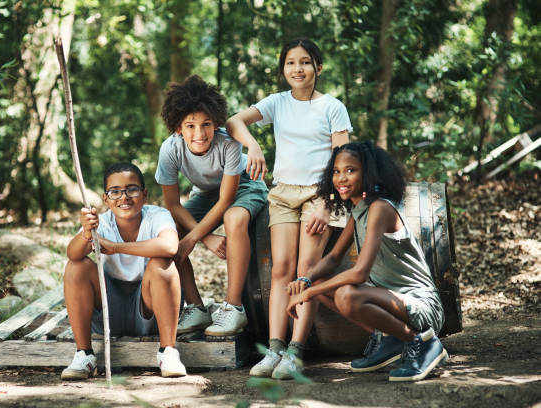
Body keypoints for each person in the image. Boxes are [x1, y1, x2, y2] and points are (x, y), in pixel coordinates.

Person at [226, 38, 352, 379]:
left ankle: (296, 352)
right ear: (283, 69)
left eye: (306, 62)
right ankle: (275, 349)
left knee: (304, 271)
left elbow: (343, 160)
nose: (298, 69)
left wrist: (328, 205)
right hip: (282, 194)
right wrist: (253, 146)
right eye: (291, 63)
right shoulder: (277, 103)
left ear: (318, 67)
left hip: (318, 195)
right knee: (281, 269)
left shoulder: (332, 107)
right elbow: (234, 121)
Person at [286, 141, 448, 382]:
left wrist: (307, 295)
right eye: (336, 171)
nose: (341, 178)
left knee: (347, 295)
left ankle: (421, 343)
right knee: (319, 282)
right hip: (390, 301)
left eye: (351, 170)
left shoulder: (380, 208)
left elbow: (359, 273)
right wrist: (305, 281)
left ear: (368, 173)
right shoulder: (358, 211)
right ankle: (389, 339)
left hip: (421, 305)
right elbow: (332, 258)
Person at [155, 75, 268, 337]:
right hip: (206, 194)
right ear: (177, 128)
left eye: (206, 124)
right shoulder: (170, 150)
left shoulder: (227, 143)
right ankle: (196, 307)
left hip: (246, 185)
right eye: (190, 125)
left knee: (234, 218)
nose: (199, 133)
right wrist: (204, 237)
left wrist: (197, 237)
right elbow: (172, 204)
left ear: (215, 122)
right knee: (170, 231)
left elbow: (227, 199)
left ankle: (234, 308)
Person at [61, 162, 186, 380]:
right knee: (76, 266)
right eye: (115, 191)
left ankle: (168, 352)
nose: (124, 197)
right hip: (110, 310)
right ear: (105, 198)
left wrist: (116, 247)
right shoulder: (101, 222)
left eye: (132, 189)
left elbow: (169, 246)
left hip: (149, 309)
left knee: (162, 264)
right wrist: (86, 233)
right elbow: (72, 253)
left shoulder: (157, 215)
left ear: (144, 194)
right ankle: (84, 354)